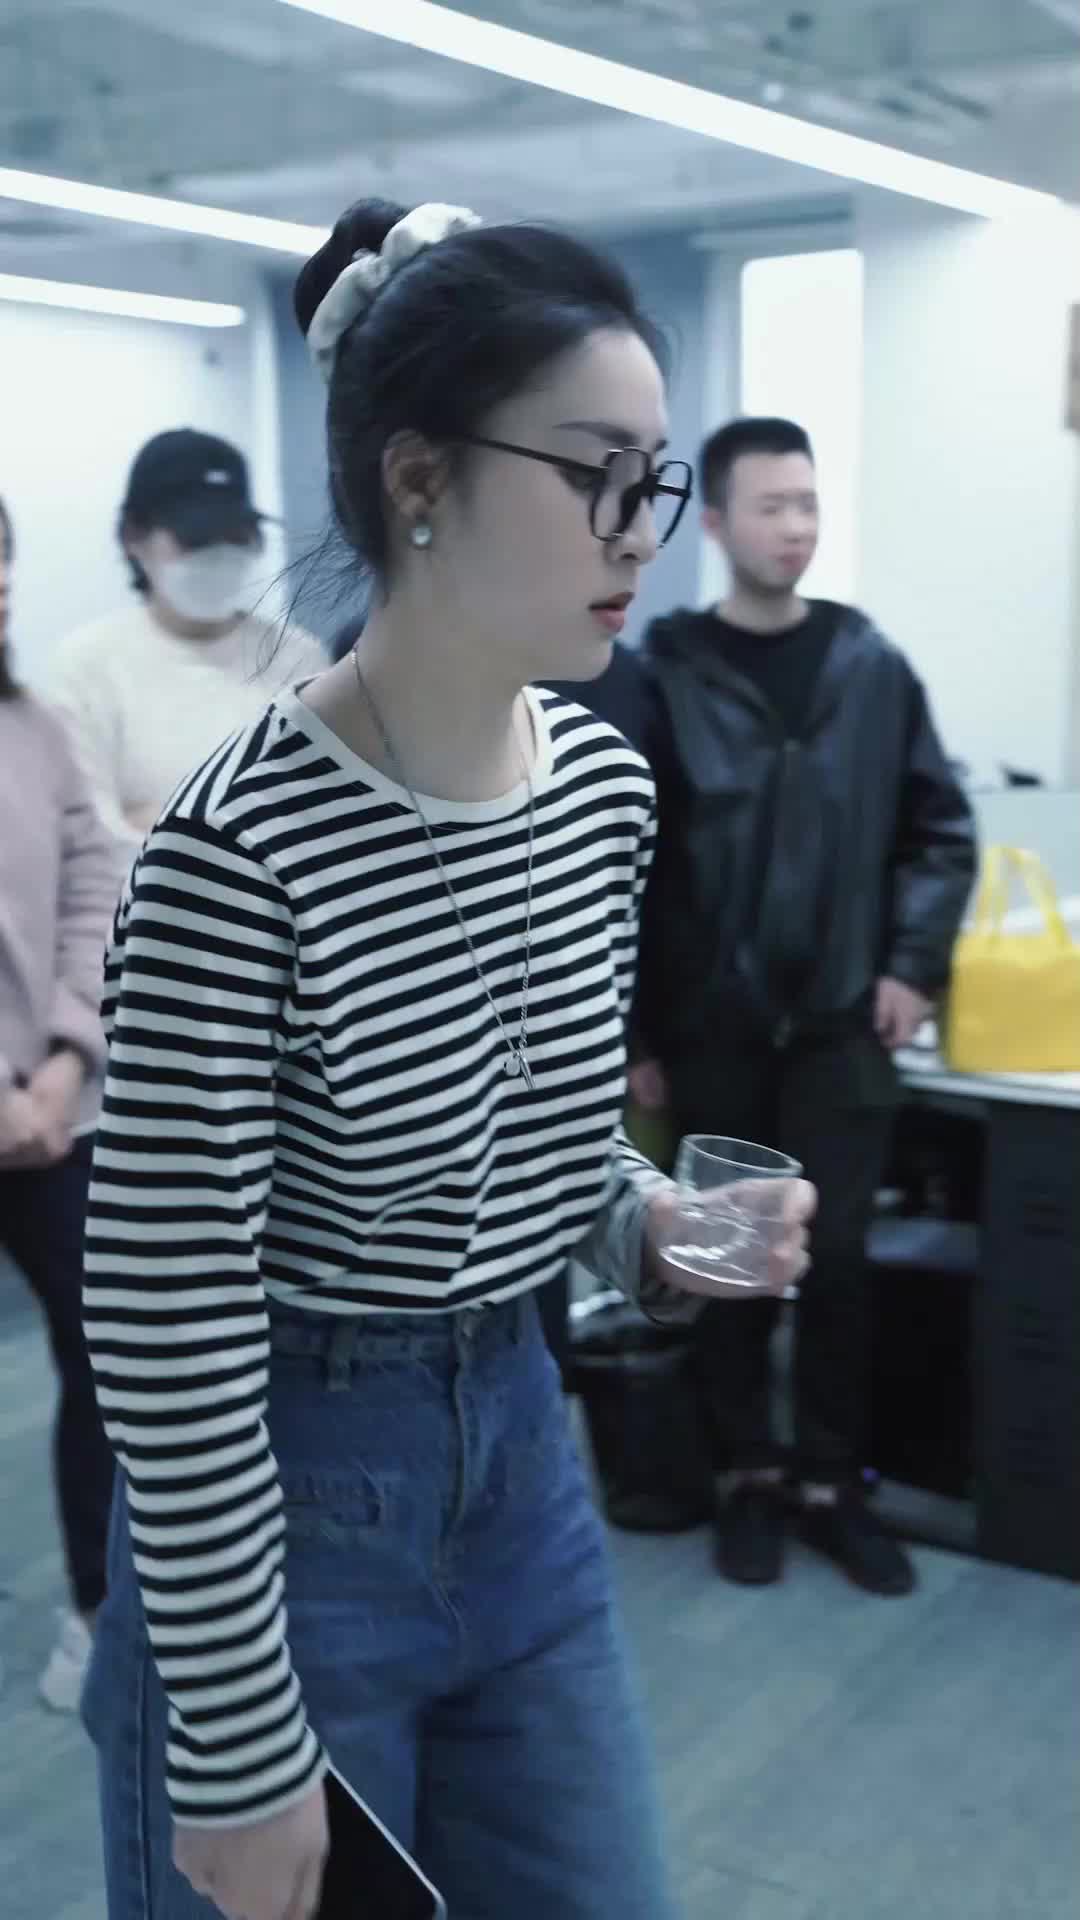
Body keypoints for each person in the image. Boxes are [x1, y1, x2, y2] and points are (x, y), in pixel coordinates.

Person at [79, 201, 813, 1920]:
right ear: (419, 477)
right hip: (287, 1490)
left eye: (656, 482)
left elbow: (539, 1141)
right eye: (594, 476)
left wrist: (647, 1224)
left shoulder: (600, 791)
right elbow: (166, 1317)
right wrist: (236, 1737)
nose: (642, 534)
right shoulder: (238, 855)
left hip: (525, 1462)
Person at [628, 415, 976, 1596]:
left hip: (838, 1026)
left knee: (838, 1266)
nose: (796, 527)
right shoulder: (667, 673)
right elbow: (633, 868)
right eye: (772, 506)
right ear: (719, 523)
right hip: (714, 1027)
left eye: (809, 504)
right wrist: (637, 1032)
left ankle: (833, 1482)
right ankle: (748, 1478)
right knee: (727, 1263)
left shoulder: (870, 667)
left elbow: (940, 828)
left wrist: (913, 964)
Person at [0, 492, 116, 1709]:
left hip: (55, 1108)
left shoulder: (33, 729)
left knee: (107, 1354)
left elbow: (94, 890)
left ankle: (98, 1613)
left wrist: (65, 1061)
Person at [49, 429, 323, 862]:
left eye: (235, 536)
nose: (219, 555)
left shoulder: (298, 656)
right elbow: (97, 845)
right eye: (197, 539)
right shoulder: (86, 666)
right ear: (133, 537)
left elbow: (319, 819)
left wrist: (161, 822)